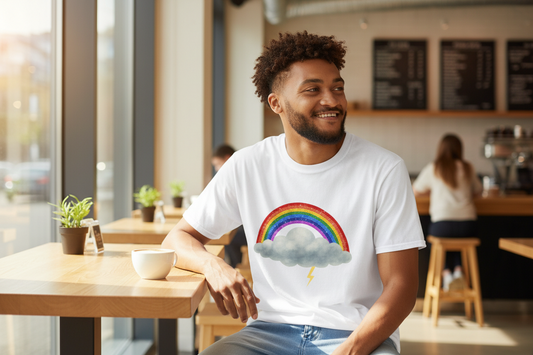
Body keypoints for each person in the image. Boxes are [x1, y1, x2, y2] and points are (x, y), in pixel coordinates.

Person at [163, 31, 425, 355]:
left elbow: (402, 286)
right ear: (277, 104)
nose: (331, 100)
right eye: (313, 89)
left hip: (356, 334)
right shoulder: (248, 165)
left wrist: (349, 351)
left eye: (337, 88)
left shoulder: (384, 169)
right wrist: (213, 266)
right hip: (266, 333)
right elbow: (177, 239)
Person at [413, 134, 482, 291]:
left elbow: (415, 191)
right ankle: (458, 271)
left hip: (442, 224)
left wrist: (432, 192)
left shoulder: (434, 167)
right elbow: (479, 191)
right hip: (468, 225)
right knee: (458, 241)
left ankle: (446, 275)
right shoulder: (467, 167)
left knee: (437, 240)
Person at [212, 143, 248, 268]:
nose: (217, 169)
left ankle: (235, 268)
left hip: (254, 232)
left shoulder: (240, 177)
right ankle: (234, 267)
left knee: (227, 238)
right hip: (249, 229)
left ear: (227, 159)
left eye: (217, 164)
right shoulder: (244, 172)